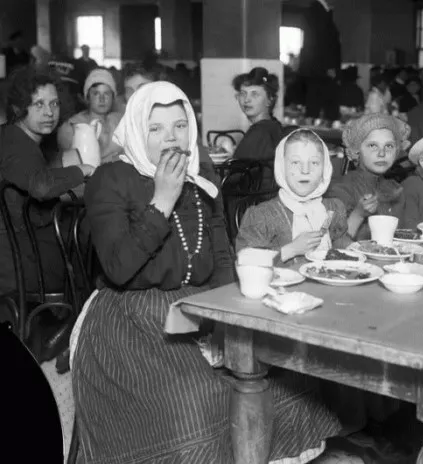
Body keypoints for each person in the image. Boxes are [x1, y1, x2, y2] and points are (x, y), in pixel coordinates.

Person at [72, 82, 342, 463]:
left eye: (180, 126)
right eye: (156, 128)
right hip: (132, 315)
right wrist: (162, 201)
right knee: (197, 402)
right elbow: (118, 269)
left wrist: (228, 319)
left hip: (200, 303)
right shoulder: (110, 179)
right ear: (136, 130)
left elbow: (220, 257)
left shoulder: (201, 176)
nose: (171, 138)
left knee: (284, 380)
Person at [0, 67, 94, 295]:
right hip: (18, 263)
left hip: (20, 252)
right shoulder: (16, 144)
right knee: (92, 244)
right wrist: (83, 169)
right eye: (39, 104)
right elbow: (40, 186)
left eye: (54, 103)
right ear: (19, 107)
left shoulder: (14, 136)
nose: (49, 112)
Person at [236, 128, 351, 261]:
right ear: (281, 167)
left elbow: (339, 241)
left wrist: (354, 247)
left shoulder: (333, 208)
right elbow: (246, 260)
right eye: (295, 162)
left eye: (314, 163)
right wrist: (291, 250)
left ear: (325, 168)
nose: (305, 170)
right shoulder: (262, 216)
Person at [326, 114, 410, 239]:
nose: (382, 153)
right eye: (372, 145)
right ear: (356, 150)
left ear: (397, 150)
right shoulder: (341, 190)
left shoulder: (396, 190)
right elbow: (334, 243)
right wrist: (358, 214)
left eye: (389, 146)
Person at [231, 67, 284, 190]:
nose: (246, 100)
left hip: (253, 198)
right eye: (242, 93)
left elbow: (234, 177)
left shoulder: (259, 131)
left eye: (255, 94)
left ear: (270, 100)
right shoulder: (273, 125)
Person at [57, 68, 122, 164]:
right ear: (87, 97)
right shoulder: (71, 128)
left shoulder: (119, 121)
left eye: (106, 93)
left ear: (113, 97)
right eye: (96, 93)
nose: (102, 99)